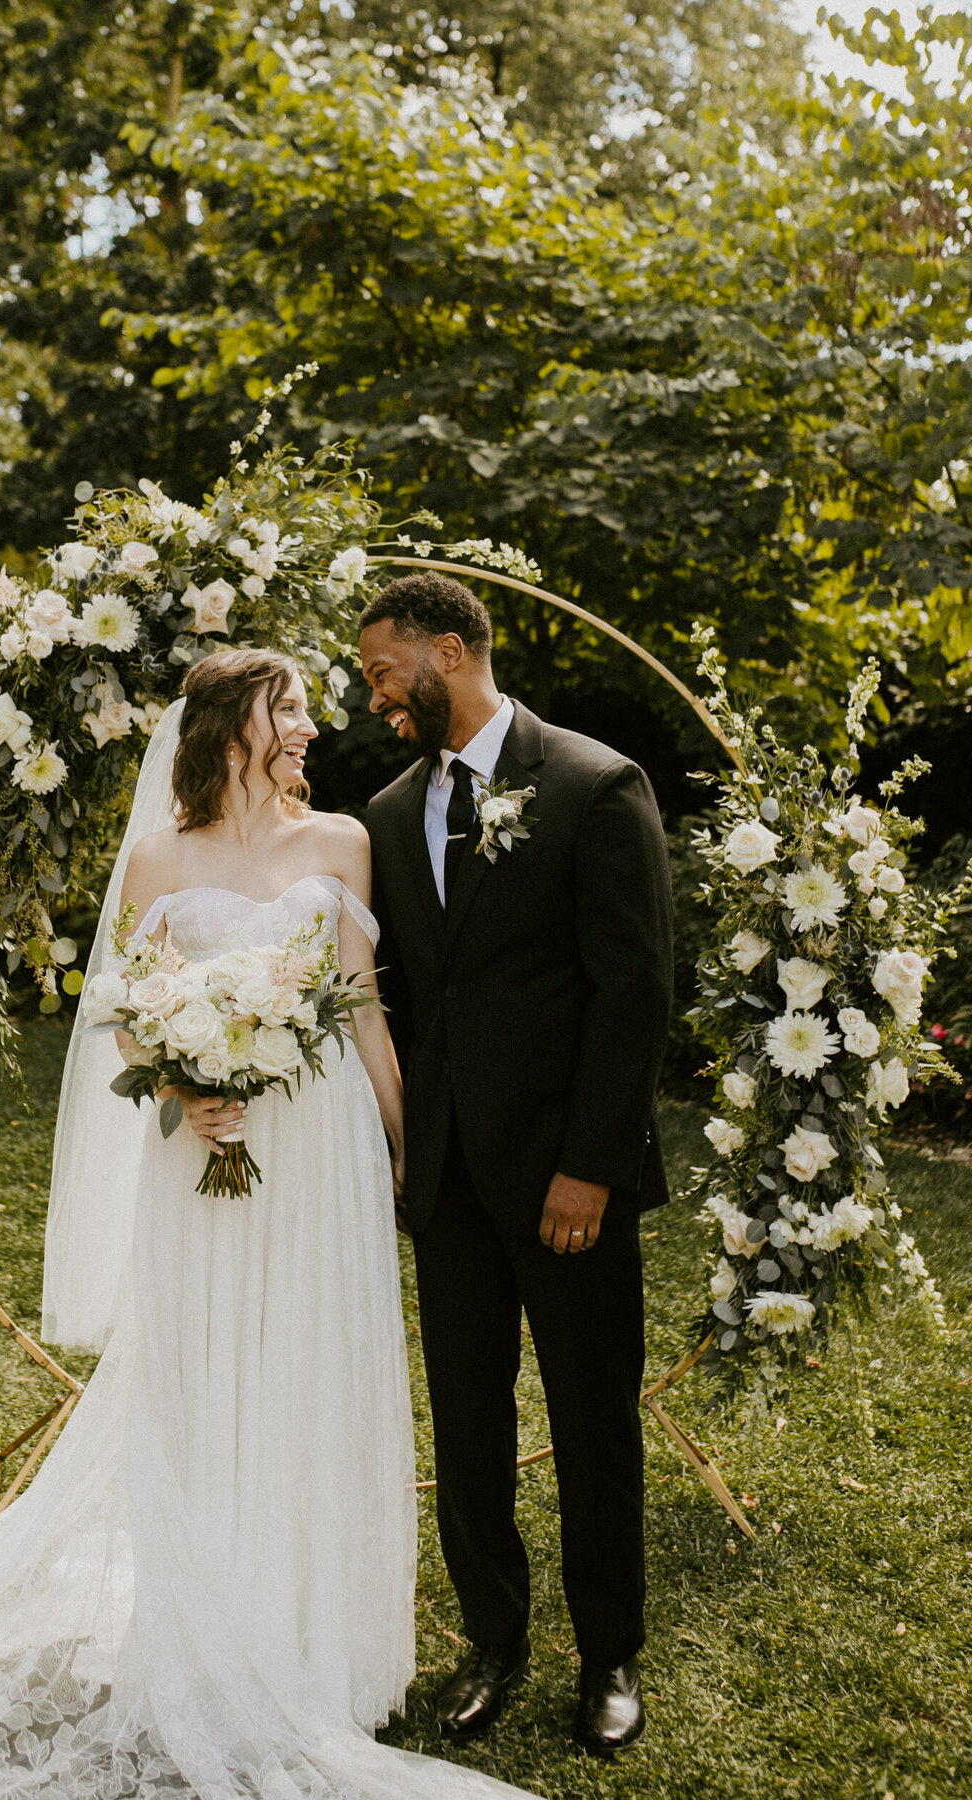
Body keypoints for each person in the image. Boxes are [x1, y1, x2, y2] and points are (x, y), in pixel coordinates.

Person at [0, 648, 534, 1800]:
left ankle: (308, 1644)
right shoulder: (155, 856)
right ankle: (201, 1626)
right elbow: (126, 1020)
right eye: (293, 712)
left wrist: (402, 1148)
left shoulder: (342, 845)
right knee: (204, 1370)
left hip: (317, 1147)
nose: (312, 733)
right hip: (203, 1149)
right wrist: (183, 1086)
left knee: (306, 1369)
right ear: (235, 724)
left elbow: (365, 1009)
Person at [361, 574, 674, 1758]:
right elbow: (396, 993)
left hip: (566, 1185)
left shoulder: (595, 785)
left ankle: (609, 1654)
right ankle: (495, 1640)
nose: (376, 696)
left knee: (594, 1420)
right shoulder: (389, 813)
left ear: (453, 648)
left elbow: (635, 990)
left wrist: (591, 1166)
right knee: (470, 1425)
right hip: (444, 1185)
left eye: (386, 671)